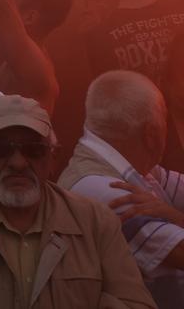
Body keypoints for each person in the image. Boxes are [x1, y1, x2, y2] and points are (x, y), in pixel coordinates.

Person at [0, 95, 155, 309]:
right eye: (0, 149)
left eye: (34, 150)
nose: (18, 162)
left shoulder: (97, 222)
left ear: (52, 158)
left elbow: (134, 303)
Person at [58, 71, 184, 305]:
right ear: (151, 134)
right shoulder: (105, 190)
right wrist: (177, 216)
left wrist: (171, 215)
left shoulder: (131, 162)